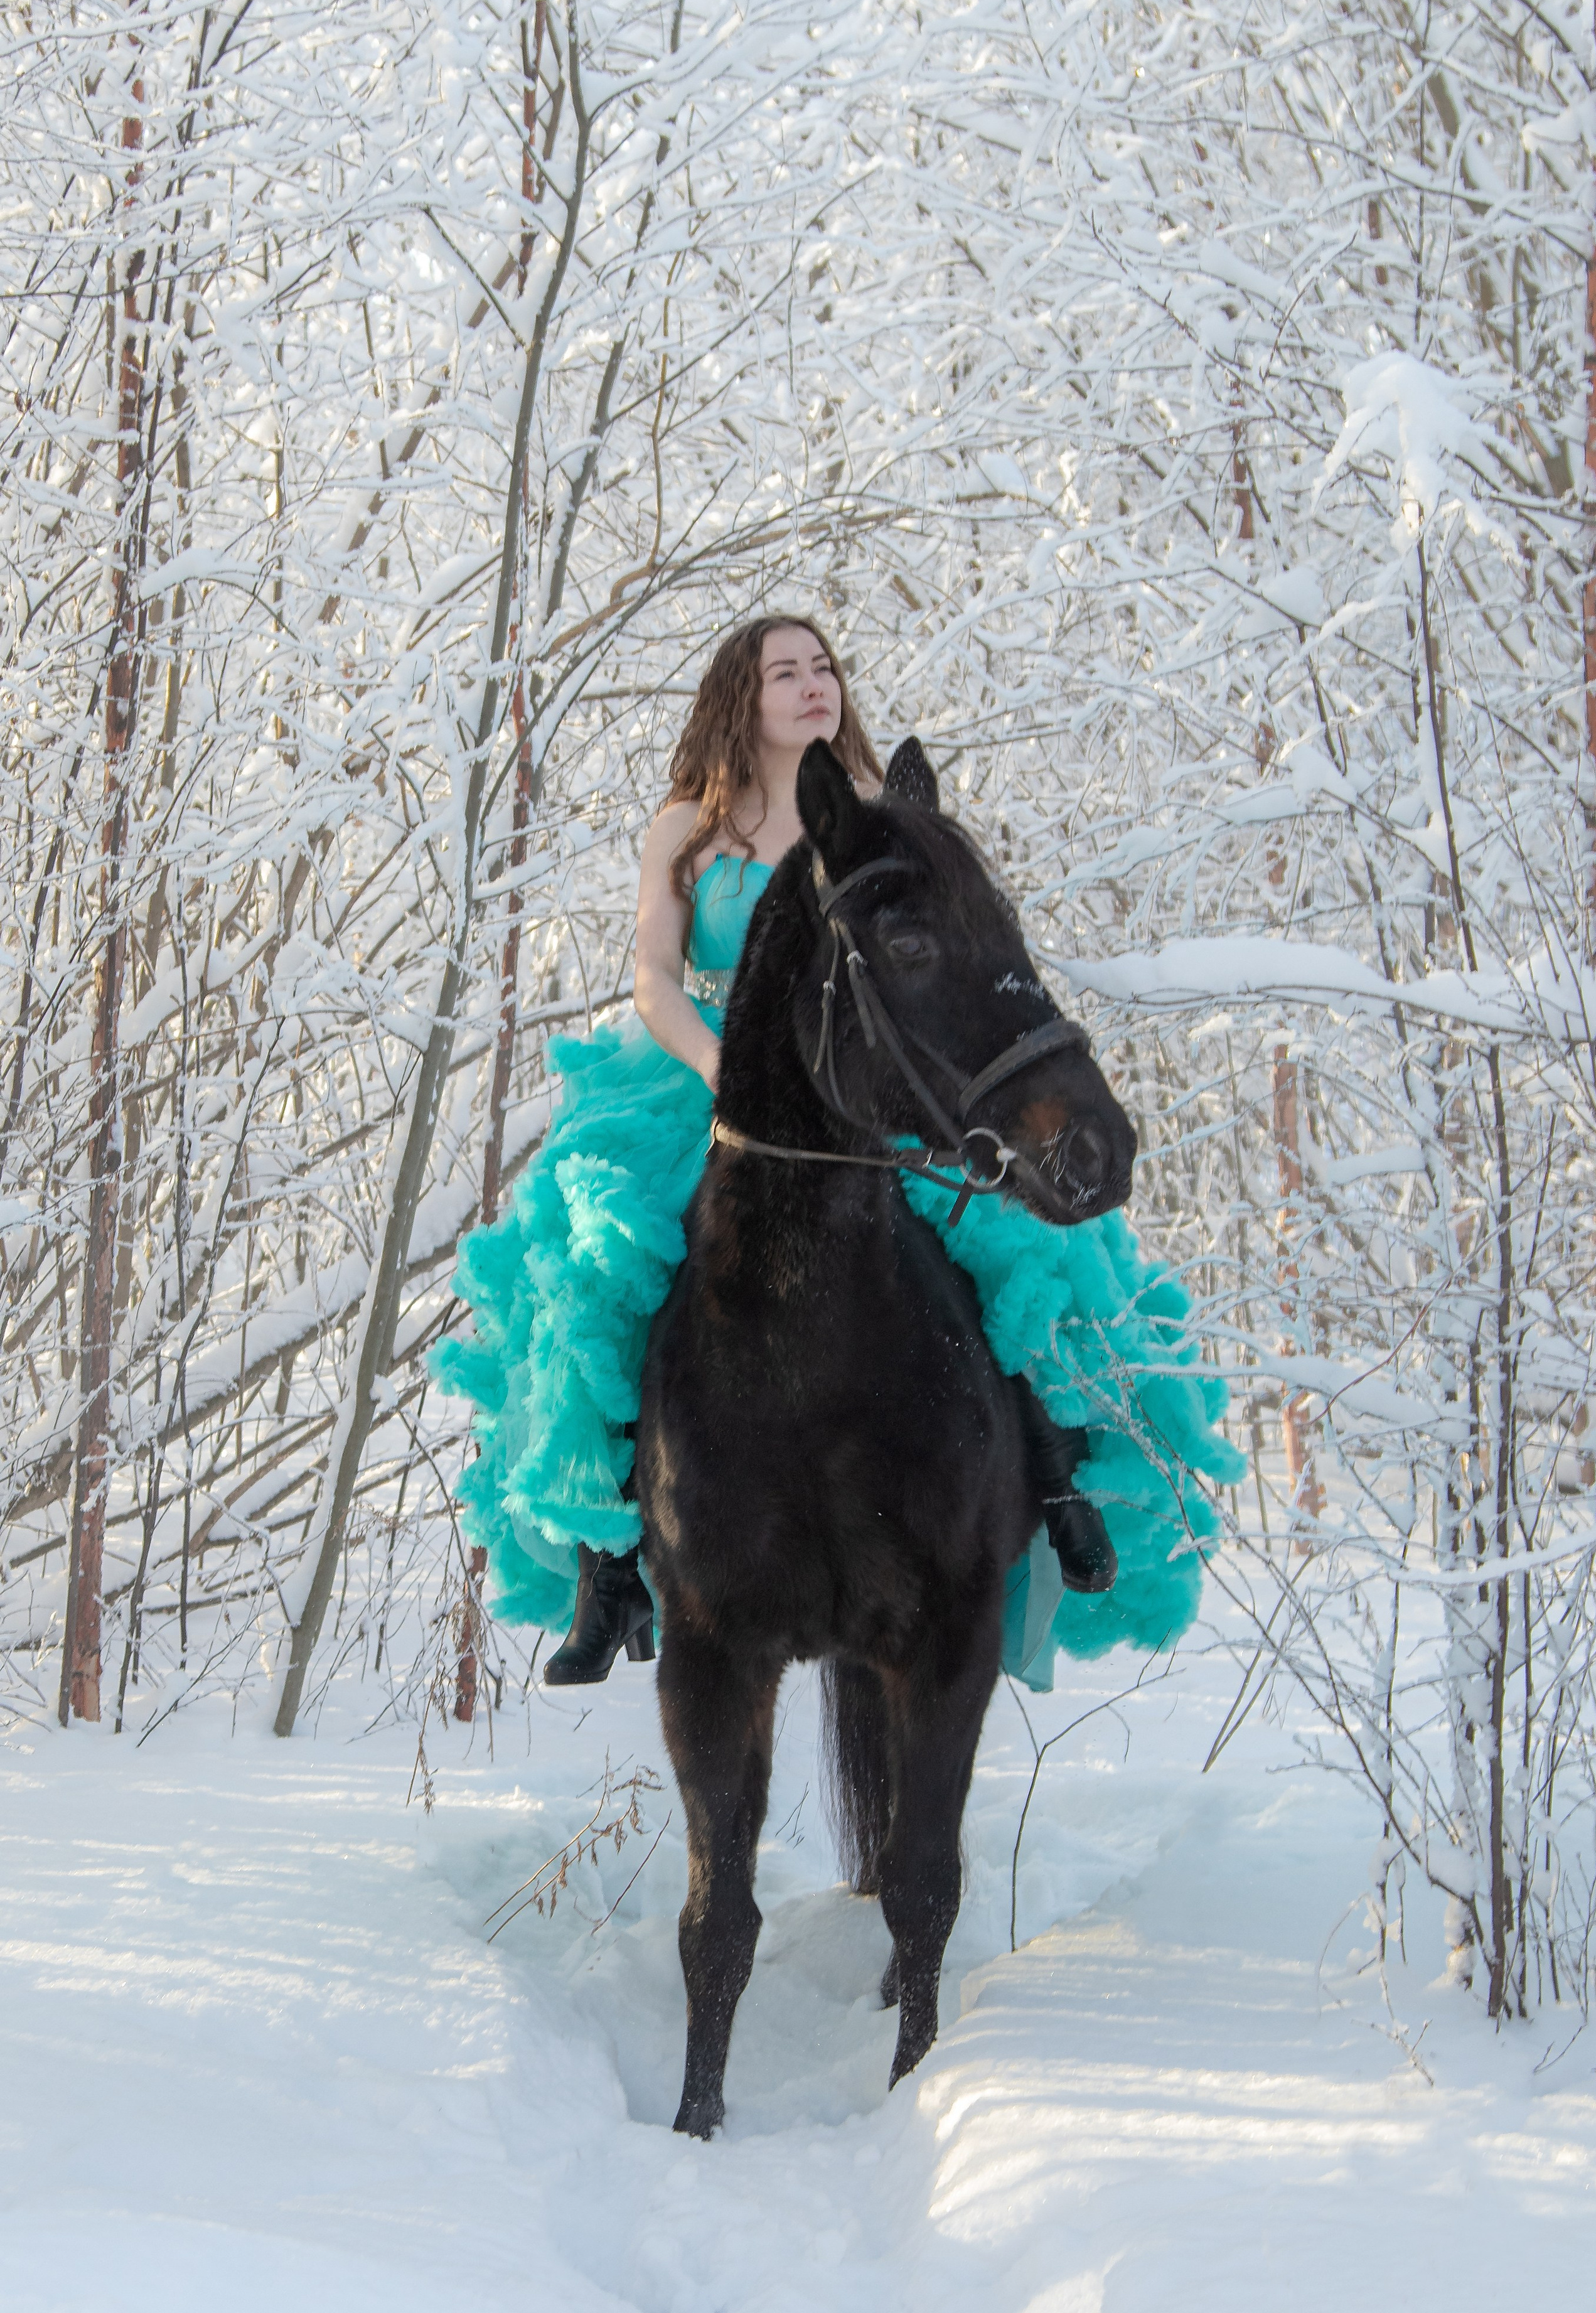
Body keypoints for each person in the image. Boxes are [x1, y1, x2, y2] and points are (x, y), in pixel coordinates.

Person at [432, 616, 1243, 1690]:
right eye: (786, 672)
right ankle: (612, 1553)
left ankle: (1052, 1469)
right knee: (604, 1262)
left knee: (997, 1232)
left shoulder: (872, 820)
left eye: (824, 668)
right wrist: (726, 1069)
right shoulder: (691, 826)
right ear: (743, 695)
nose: (814, 685)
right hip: (697, 1078)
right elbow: (654, 979)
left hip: (852, 1081)